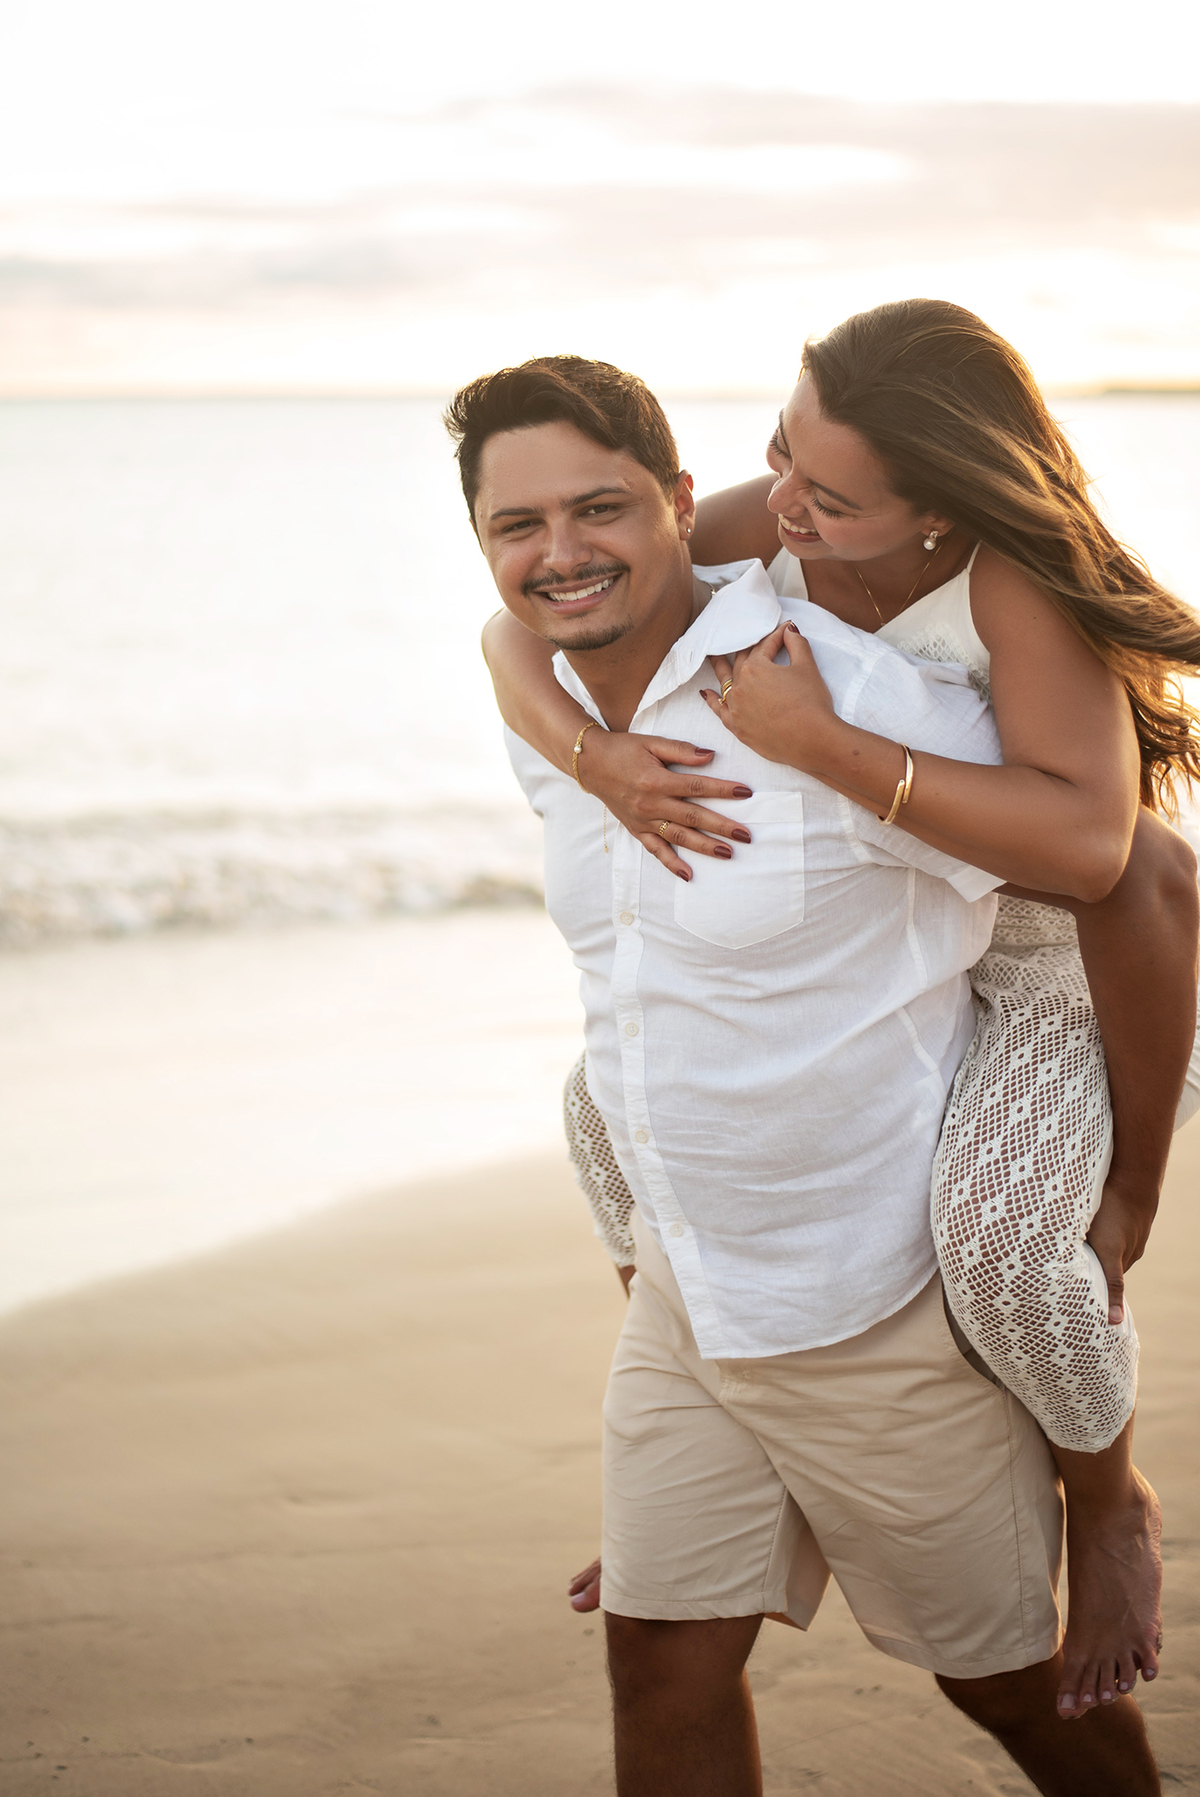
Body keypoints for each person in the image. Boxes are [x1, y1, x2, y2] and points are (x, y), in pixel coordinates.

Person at [446, 349, 1182, 1795]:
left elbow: (1132, 872)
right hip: (694, 1299)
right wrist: (596, 761)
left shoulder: (852, 692)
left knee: (1018, 1690)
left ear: (670, 503)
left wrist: (1133, 1180)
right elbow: (508, 639)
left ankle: (1109, 1497)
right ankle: (690, 1461)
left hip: (872, 1289)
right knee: (657, 1653)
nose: (558, 556)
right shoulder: (562, 709)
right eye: (513, 527)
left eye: (599, 511)